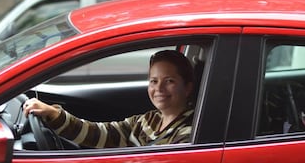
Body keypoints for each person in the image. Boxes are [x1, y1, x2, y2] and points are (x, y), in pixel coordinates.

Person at [23, 50, 195, 147]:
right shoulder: (148, 120)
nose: (159, 88)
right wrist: (53, 114)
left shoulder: (190, 133)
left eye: (169, 81)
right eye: (153, 81)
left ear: (187, 88)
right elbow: (99, 133)